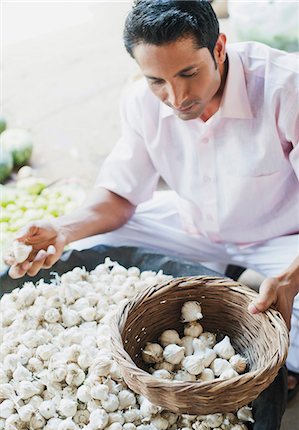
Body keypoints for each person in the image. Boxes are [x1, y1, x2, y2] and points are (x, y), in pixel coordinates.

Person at [6, 0, 299, 398]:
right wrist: (62, 228)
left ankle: (257, 313)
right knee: (89, 246)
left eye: (188, 73)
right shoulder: (140, 102)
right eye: (156, 80)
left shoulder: (286, 86)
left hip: (283, 239)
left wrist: (290, 277)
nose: (176, 97)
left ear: (219, 48)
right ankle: (215, 280)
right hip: (191, 225)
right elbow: (119, 196)